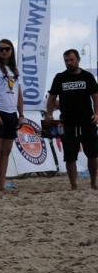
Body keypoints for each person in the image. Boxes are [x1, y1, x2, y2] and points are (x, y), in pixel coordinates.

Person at [46, 48, 98, 189]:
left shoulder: (87, 76)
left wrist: (97, 113)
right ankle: (74, 185)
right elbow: (52, 97)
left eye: (71, 60)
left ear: (78, 60)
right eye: (66, 61)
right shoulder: (60, 77)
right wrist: (49, 113)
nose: (69, 63)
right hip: (68, 122)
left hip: (87, 121)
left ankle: (93, 182)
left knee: (93, 154)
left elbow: (95, 96)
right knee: (70, 156)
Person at [0, 39, 24, 193]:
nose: (4, 51)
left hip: (12, 113)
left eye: (7, 49)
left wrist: (21, 114)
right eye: (1, 49)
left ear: (11, 50)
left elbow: (19, 93)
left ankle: (2, 184)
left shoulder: (15, 69)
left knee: (6, 150)